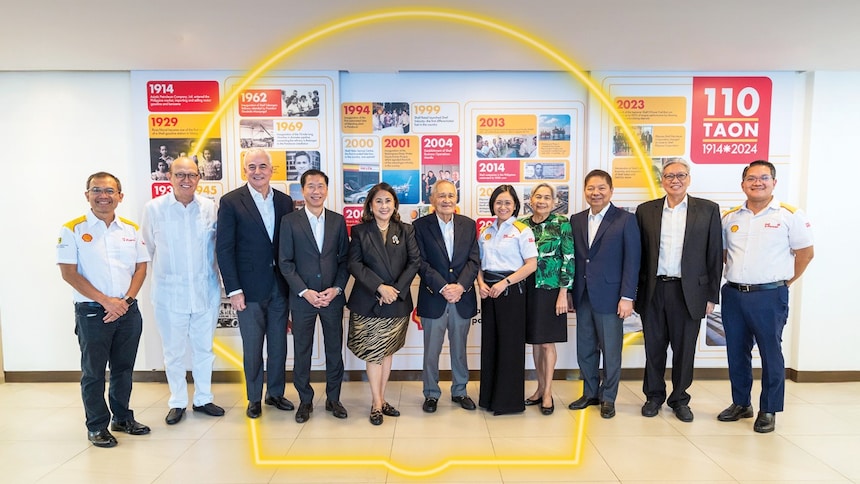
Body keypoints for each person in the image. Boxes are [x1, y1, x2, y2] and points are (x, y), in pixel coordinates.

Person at [718, 160, 814, 433]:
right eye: (751, 178)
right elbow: (725, 255)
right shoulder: (731, 217)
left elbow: (806, 254)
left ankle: (769, 408)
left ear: (774, 182)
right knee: (736, 352)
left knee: (771, 353)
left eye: (763, 178)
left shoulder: (789, 215)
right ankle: (741, 403)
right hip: (734, 294)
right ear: (743, 184)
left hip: (769, 296)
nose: (757, 182)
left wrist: (784, 282)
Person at [57, 172, 150, 448]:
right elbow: (69, 273)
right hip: (92, 313)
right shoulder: (72, 228)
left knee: (123, 369)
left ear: (120, 197)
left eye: (110, 191)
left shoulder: (131, 229)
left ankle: (121, 418)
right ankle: (97, 426)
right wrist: (106, 301)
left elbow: (141, 267)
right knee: (94, 372)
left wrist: (127, 301)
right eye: (96, 190)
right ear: (87, 195)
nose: (103, 196)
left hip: (128, 312)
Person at [635, 158, 722, 422]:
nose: (675, 180)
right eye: (669, 175)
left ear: (689, 178)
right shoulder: (645, 210)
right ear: (662, 180)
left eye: (681, 175)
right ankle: (654, 396)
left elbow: (715, 255)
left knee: (685, 350)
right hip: (653, 290)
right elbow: (638, 255)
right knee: (654, 348)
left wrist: (711, 295)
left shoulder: (707, 210)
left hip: (690, 293)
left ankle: (680, 399)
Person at [141, 157, 224, 425]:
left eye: (191, 174)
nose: (186, 179)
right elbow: (149, 249)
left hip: (205, 291)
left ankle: (203, 398)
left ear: (199, 178)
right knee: (173, 352)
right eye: (180, 174)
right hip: (168, 294)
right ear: (169, 177)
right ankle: (177, 401)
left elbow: (216, 249)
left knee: (204, 350)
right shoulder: (154, 209)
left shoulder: (210, 208)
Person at [216, 148, 295, 419]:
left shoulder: (285, 202)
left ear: (272, 170)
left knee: (278, 345)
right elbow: (224, 248)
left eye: (263, 166)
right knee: (252, 346)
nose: (258, 171)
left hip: (280, 286)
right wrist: (234, 290)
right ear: (244, 171)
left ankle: (275, 393)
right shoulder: (231, 201)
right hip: (247, 290)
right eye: (252, 167)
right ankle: (253, 397)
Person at [278, 169, 350, 424]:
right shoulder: (289, 221)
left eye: (320, 186)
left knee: (334, 350)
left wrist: (336, 289)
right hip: (302, 300)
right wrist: (305, 291)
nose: (316, 191)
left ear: (327, 190)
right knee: (302, 351)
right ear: (303, 190)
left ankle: (334, 398)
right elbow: (285, 262)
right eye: (311, 186)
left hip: (332, 299)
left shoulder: (338, 221)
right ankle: (305, 400)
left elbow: (344, 261)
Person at [568, 170, 640, 419]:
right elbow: (574, 259)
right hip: (583, 294)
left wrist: (627, 297)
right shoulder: (576, 220)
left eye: (601, 188)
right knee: (585, 348)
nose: (595, 193)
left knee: (611, 350)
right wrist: (569, 292)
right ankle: (590, 393)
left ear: (611, 190)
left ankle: (608, 397)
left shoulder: (625, 220)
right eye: (590, 188)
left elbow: (633, 261)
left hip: (612, 296)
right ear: (584, 190)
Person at [346, 183, 420, 425]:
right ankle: (377, 402)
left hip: (396, 300)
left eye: (388, 201)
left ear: (395, 205)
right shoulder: (360, 231)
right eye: (378, 201)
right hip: (369, 299)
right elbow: (355, 264)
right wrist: (379, 287)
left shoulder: (406, 229)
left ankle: (381, 397)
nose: (384, 205)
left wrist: (394, 290)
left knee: (387, 351)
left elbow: (414, 262)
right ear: (370, 204)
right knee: (374, 352)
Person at [414, 180, 480, 414]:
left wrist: (460, 286)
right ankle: (431, 393)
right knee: (431, 350)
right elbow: (420, 262)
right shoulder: (420, 226)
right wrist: (444, 287)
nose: (446, 200)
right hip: (434, 297)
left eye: (451, 195)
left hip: (462, 297)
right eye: (441, 196)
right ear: (433, 200)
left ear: (456, 198)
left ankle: (460, 391)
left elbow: (474, 261)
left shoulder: (469, 225)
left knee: (460, 348)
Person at [476, 185, 537, 415]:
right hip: (489, 293)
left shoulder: (522, 230)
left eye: (507, 203)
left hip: (511, 292)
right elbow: (479, 265)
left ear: (515, 206)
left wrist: (504, 283)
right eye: (499, 202)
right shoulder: (486, 231)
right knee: (491, 344)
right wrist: (480, 284)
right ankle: (489, 398)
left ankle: (508, 401)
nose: (503, 207)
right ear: (493, 204)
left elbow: (531, 265)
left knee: (510, 347)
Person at [520, 183, 574, 415]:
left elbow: (569, 258)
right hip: (526, 289)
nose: (541, 201)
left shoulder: (562, 223)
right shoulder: (520, 224)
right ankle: (539, 388)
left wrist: (564, 292)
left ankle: (549, 392)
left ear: (553, 202)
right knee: (534, 340)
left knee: (547, 342)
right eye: (537, 197)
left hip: (550, 290)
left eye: (546, 198)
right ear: (530, 199)